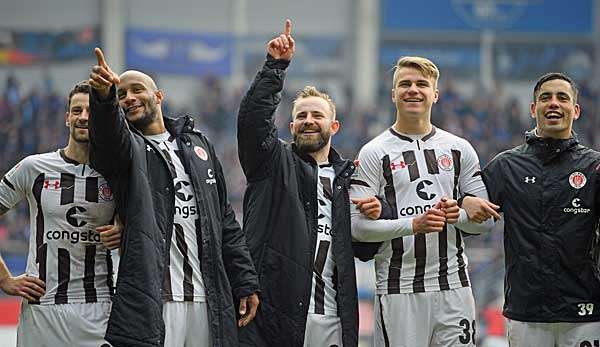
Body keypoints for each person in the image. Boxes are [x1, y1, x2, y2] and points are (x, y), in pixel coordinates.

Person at [88, 48, 260, 347]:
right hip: (157, 298)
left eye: (137, 89)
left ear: (158, 96)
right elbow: (105, 142)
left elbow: (225, 221)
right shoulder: (128, 149)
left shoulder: (198, 145)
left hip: (208, 298)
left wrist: (245, 281)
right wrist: (103, 99)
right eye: (121, 94)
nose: (128, 97)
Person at [236, 20, 382, 347]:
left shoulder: (350, 179)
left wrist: (378, 212)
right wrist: (275, 68)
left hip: (332, 315)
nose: (308, 121)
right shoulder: (271, 163)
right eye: (301, 116)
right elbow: (252, 123)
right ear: (290, 126)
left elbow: (365, 249)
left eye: (316, 115)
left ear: (334, 125)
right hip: (273, 316)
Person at [349, 56, 497, 347]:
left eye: (421, 84)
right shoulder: (372, 152)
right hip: (398, 288)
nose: (413, 90)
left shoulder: (460, 149)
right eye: (404, 84)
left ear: (435, 94)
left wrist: (459, 216)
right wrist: (413, 225)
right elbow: (356, 228)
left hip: (454, 286)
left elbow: (487, 223)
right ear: (393, 94)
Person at [464, 72, 600, 346]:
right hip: (526, 313)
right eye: (545, 98)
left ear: (575, 110)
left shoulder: (594, 168)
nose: (553, 103)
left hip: (585, 312)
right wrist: (465, 201)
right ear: (533, 108)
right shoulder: (506, 166)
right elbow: (468, 213)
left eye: (562, 98)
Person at [0, 80, 122, 347]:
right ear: (67, 117)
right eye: (77, 111)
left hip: (100, 310)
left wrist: (123, 228)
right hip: (42, 309)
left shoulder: (119, 173)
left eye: (91, 111)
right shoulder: (33, 168)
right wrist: (4, 279)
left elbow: (149, 222)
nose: (83, 117)